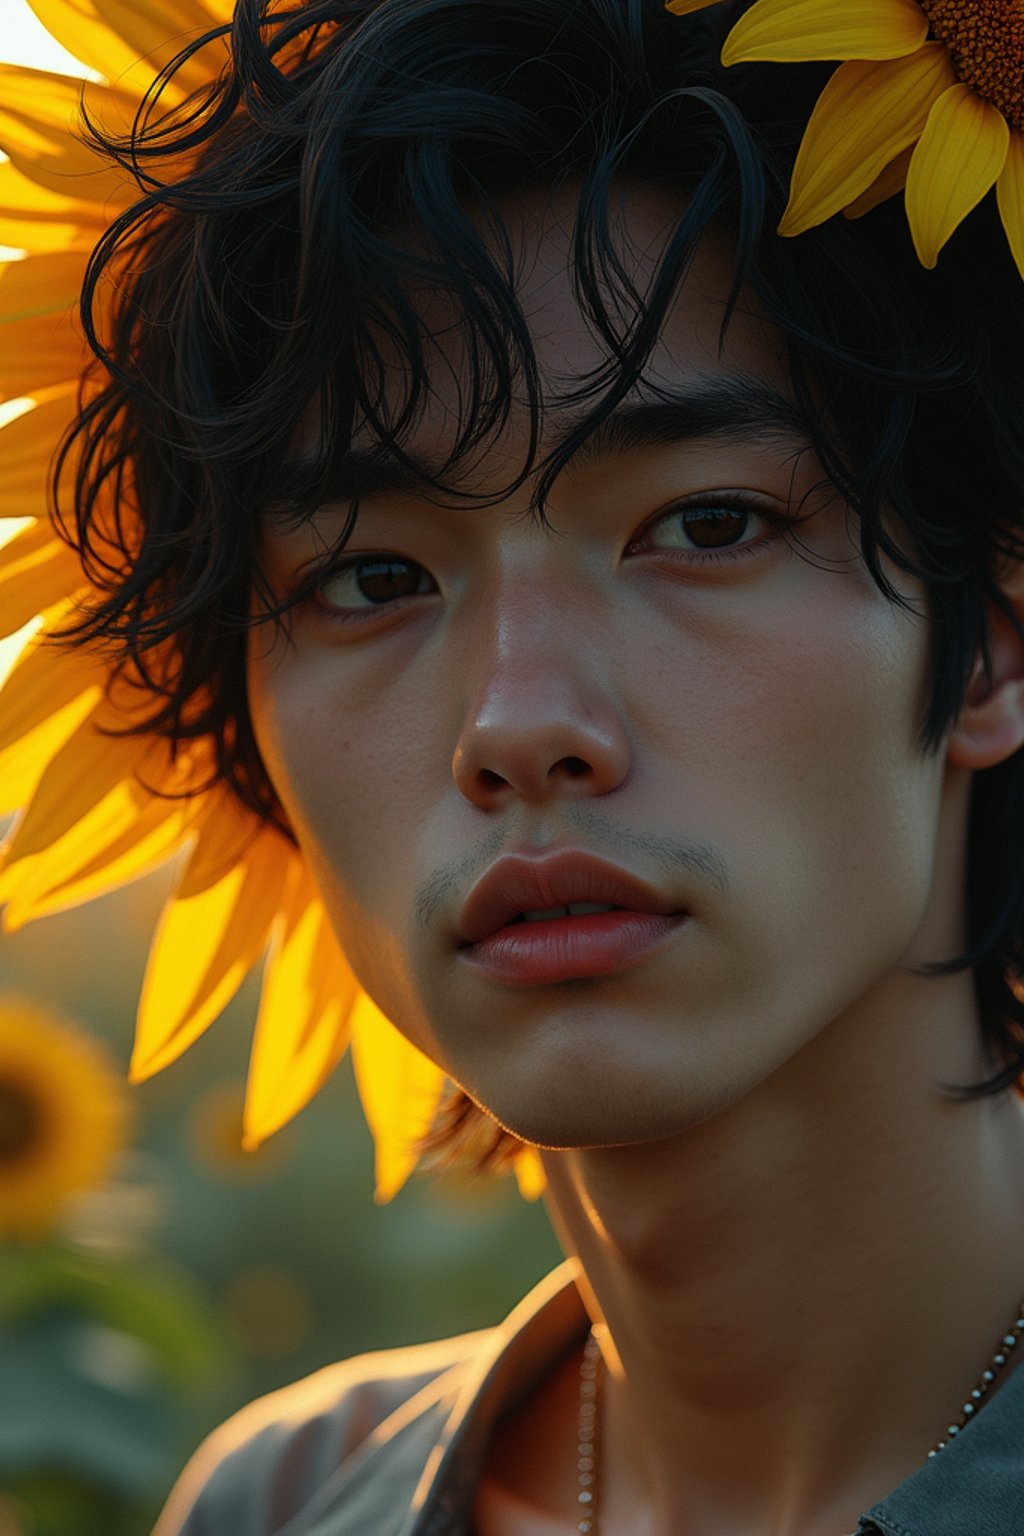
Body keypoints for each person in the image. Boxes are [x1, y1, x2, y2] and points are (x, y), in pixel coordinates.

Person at [4, 0, 1024, 1531]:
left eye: (705, 525)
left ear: (994, 644)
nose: (516, 725)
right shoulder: (282, 1504)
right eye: (370, 577)